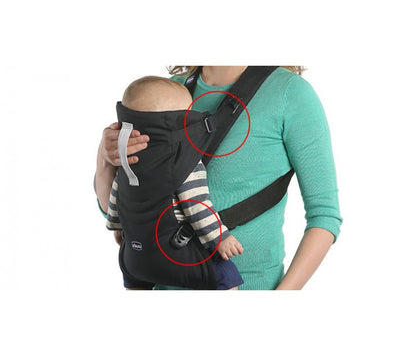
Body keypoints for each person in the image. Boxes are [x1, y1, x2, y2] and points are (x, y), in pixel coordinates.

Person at [95, 66, 343, 290]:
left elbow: (324, 216)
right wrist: (104, 158)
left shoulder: (289, 93)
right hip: (163, 282)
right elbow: (118, 206)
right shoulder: (163, 92)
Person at [105, 75, 244, 290]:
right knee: (226, 276)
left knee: (135, 281)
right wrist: (220, 238)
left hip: (134, 256)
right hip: (177, 253)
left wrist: (118, 226)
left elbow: (118, 197)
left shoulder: (128, 160)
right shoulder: (183, 161)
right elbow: (197, 204)